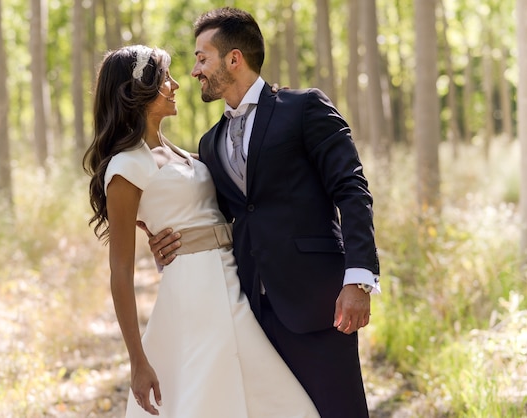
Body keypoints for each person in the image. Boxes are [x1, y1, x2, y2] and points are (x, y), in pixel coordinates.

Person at [145, 7, 381, 417]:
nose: (196, 70)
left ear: (234, 59)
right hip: (249, 309)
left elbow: (351, 188)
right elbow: (214, 214)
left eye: (203, 58)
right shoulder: (210, 142)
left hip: (318, 301)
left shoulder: (304, 108)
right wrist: (164, 238)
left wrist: (358, 279)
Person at [82, 45, 319, 418]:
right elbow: (121, 273)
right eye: (166, 78)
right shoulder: (126, 168)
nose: (176, 85)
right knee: (215, 399)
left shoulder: (182, 153)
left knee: (278, 401)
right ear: (139, 90)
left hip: (230, 276)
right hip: (195, 295)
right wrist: (137, 360)